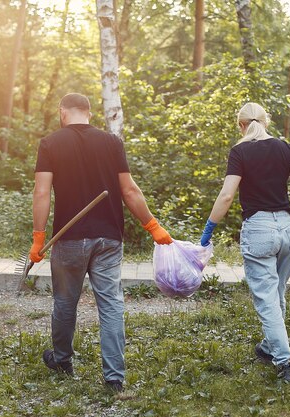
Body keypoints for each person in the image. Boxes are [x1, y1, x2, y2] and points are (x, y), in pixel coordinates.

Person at [31, 93, 172, 392]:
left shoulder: (50, 143)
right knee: (110, 305)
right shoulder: (111, 142)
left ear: (62, 113)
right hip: (108, 237)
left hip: (68, 240)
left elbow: (41, 193)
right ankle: (114, 378)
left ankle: (62, 359)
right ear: (89, 114)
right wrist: (152, 225)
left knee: (65, 303)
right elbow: (130, 191)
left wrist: (38, 237)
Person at [199, 102, 290, 383]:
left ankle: (284, 361)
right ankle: (268, 347)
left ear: (241, 125)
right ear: (266, 122)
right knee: (276, 291)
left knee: (267, 298)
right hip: (288, 229)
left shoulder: (240, 151)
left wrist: (208, 230)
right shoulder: (283, 147)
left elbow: (227, 196)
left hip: (259, 230)